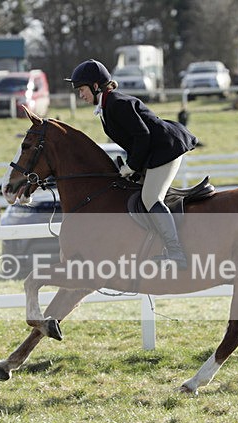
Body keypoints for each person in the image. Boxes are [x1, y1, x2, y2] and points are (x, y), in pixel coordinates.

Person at [65, 59, 197, 270]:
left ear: (96, 86)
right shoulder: (107, 106)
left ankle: (176, 253)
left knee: (150, 198)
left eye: (82, 89)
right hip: (155, 151)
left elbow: (142, 135)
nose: (80, 94)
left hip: (166, 148)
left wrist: (132, 165)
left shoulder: (116, 103)